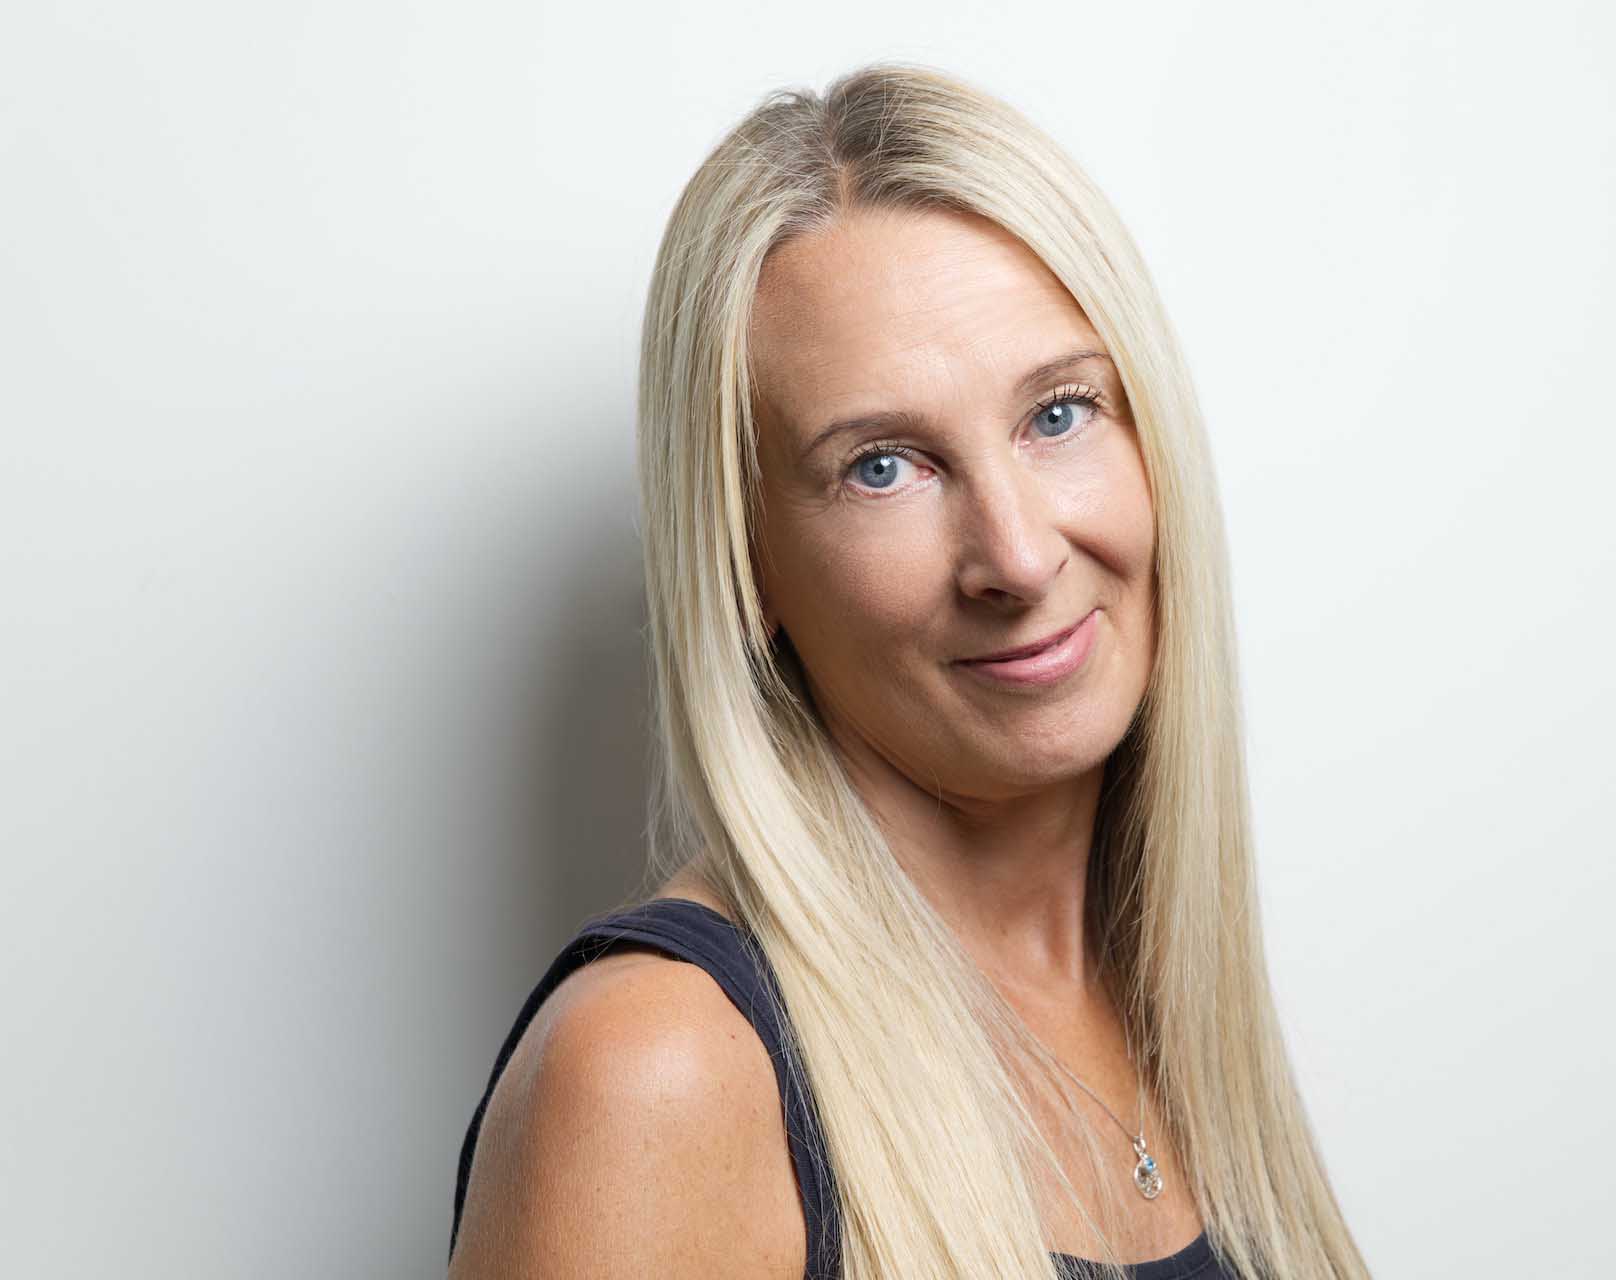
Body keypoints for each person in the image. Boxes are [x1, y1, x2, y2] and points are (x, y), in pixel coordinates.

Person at [447, 60, 1373, 1280]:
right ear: (748, 563)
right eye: (884, 464)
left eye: (1059, 413)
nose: (1020, 554)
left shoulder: (1161, 992)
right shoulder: (654, 1071)